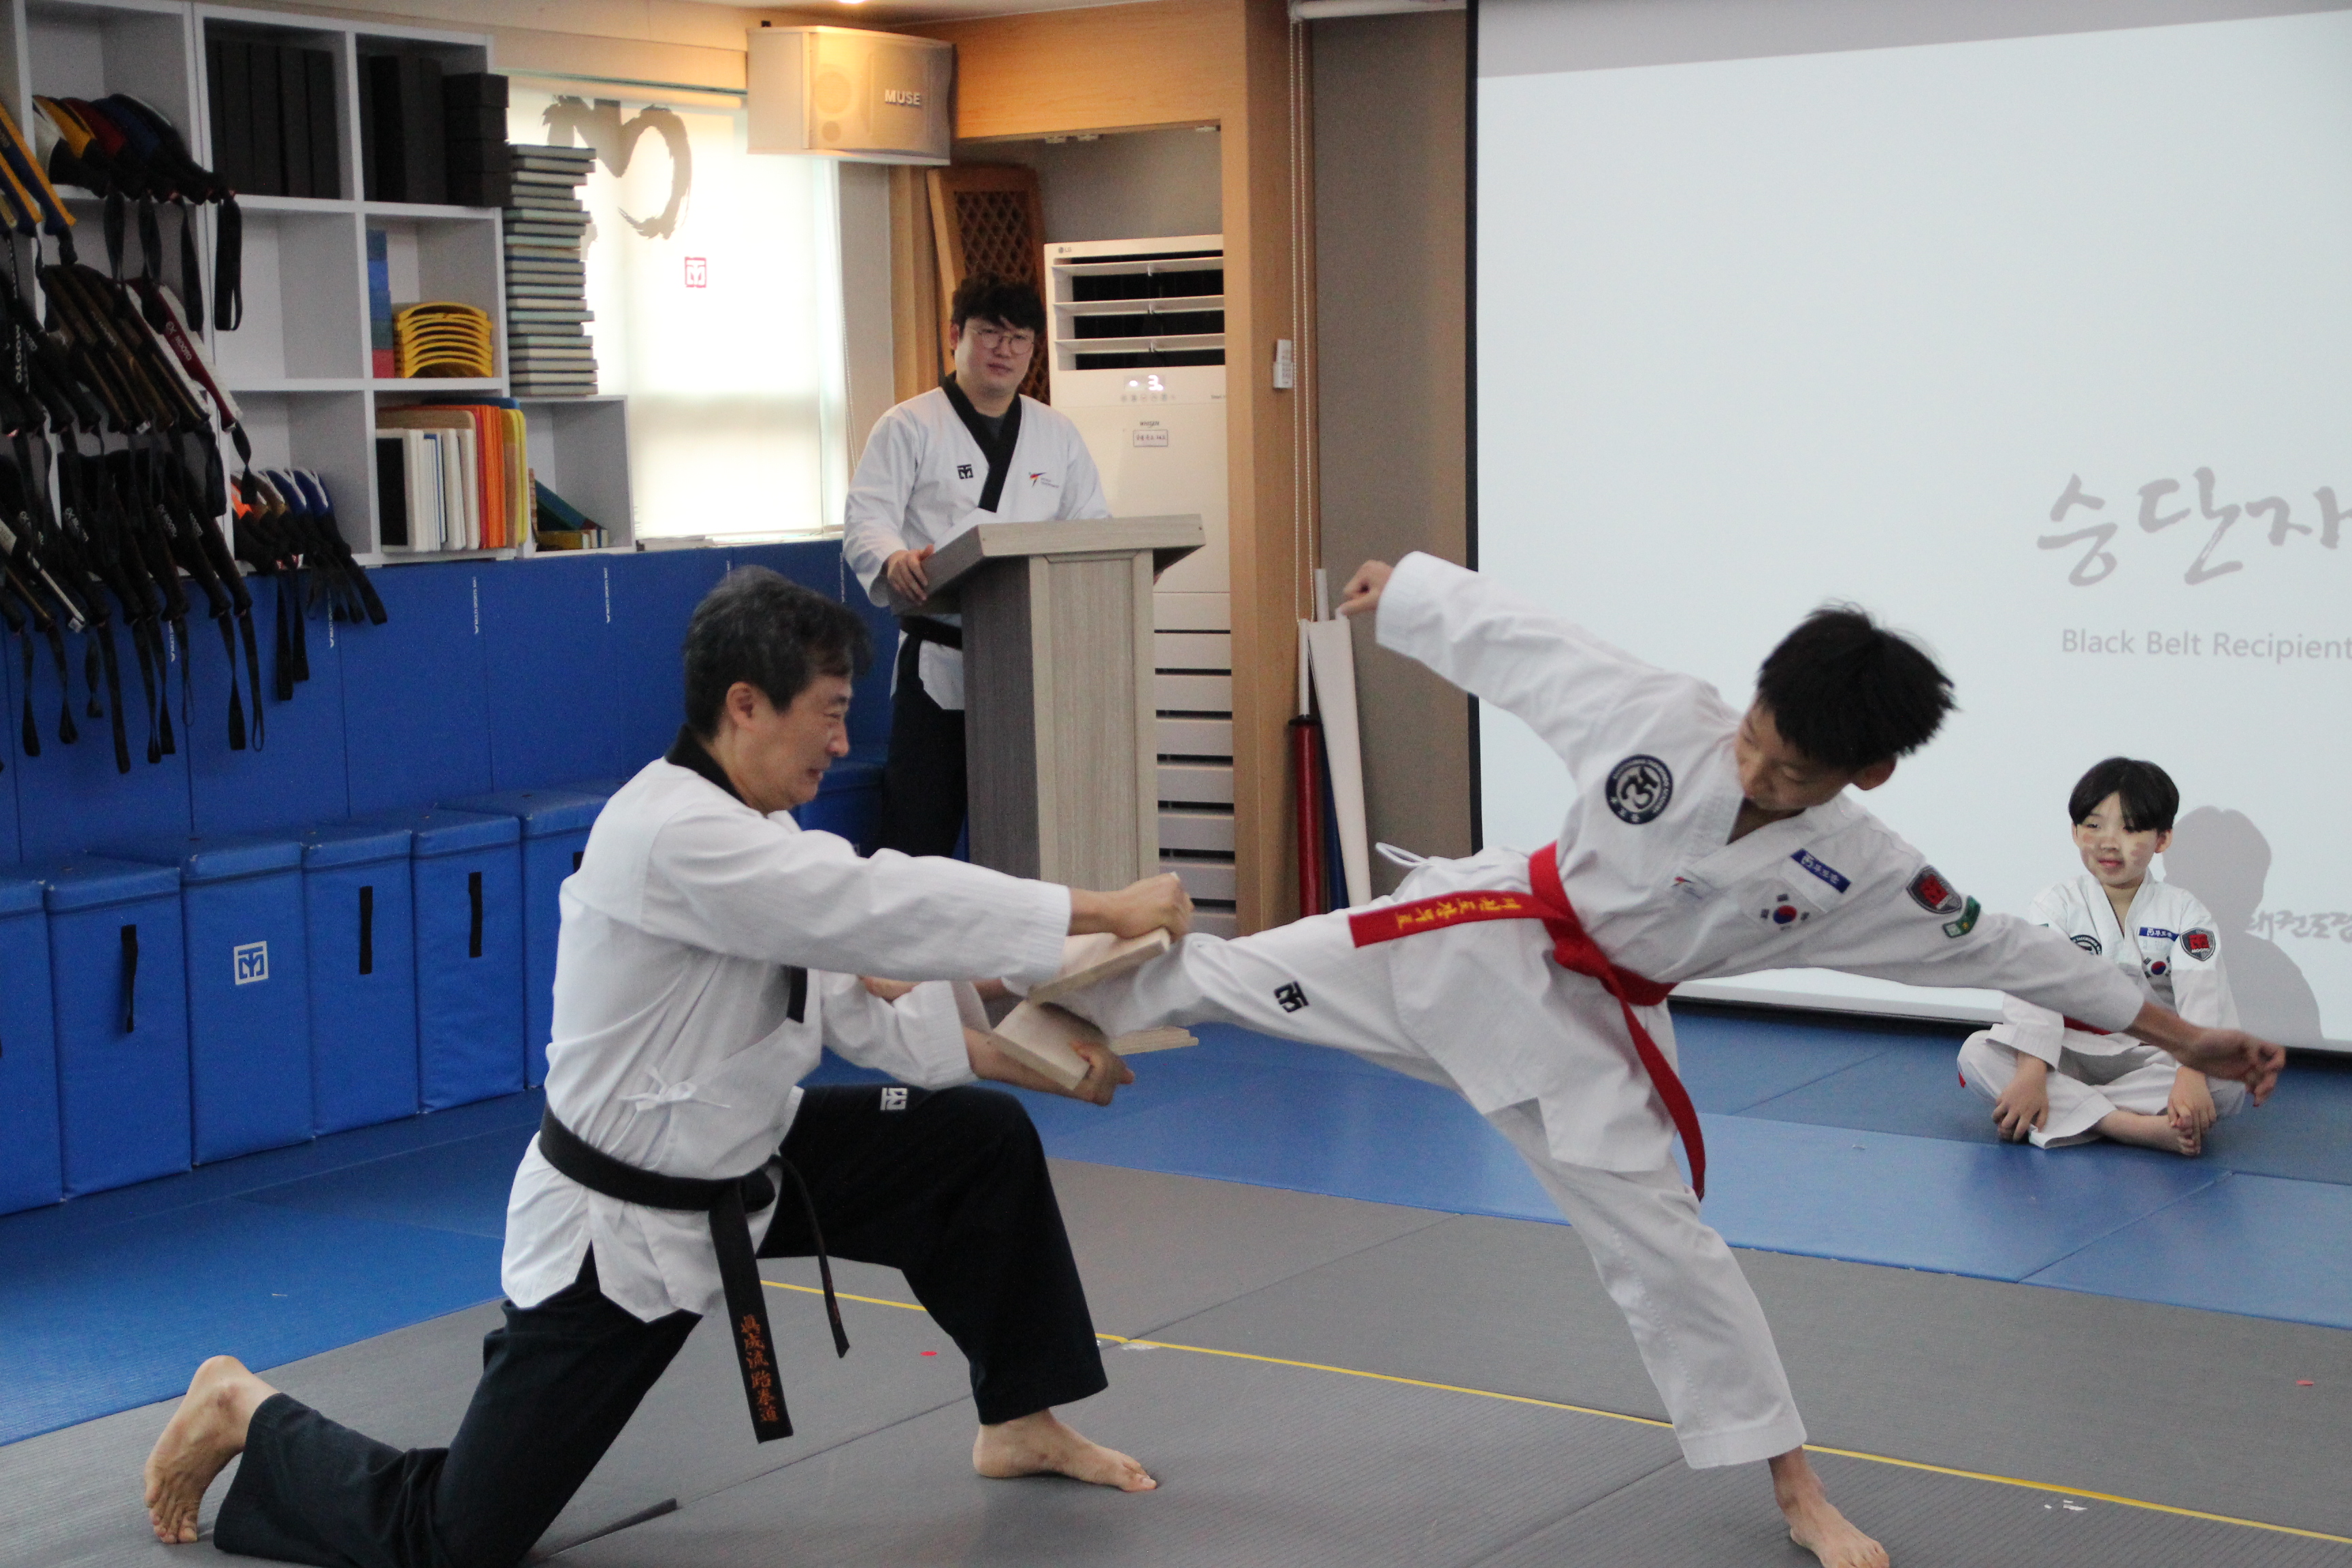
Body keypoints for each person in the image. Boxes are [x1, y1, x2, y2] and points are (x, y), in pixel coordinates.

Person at [1050, 553, 2285, 1568]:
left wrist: (2183, 1035)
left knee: (1675, 1257)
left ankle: (1795, 1486)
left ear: (1864, 773)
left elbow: (2004, 947)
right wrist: (1413, 592)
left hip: (1594, 1037)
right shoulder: (1661, 719)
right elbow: (1534, 649)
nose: (1754, 769)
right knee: (1234, 975)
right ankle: (1024, 1001)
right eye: (1755, 737)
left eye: (1789, 771)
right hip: (1477, 937)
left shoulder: (1862, 870)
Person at [142, 567, 1192, 1567]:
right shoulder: (675, 834)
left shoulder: (758, 830)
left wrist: (1016, 1059)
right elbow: (879, 904)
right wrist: (1098, 909)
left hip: (742, 1152)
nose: (842, 740)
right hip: (623, 1226)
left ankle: (1018, 1420)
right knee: (456, 1540)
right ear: (746, 705)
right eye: (828, 713)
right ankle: (246, 1410)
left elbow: (844, 993)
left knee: (973, 1145)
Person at [842, 272, 1111, 858]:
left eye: (1019, 338)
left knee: (1031, 837)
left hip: (1031, 663)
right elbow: (867, 518)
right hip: (940, 657)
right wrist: (893, 558)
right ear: (955, 336)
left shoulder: (1056, 433)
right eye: (989, 333)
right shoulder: (909, 425)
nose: (1004, 350)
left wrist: (1116, 570)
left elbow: (1090, 525)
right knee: (919, 835)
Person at [1958, 757, 2247, 1155]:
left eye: (2130, 828)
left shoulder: (2185, 913)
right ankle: (2130, 1126)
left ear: (2163, 839)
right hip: (2071, 1050)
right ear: (2075, 832)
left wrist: (2192, 1072)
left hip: (2154, 1054)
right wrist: (2031, 1071)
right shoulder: (2057, 904)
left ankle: (2073, 1111)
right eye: (2094, 826)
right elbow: (2034, 989)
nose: (2109, 843)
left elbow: (2203, 997)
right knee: (1976, 1053)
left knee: (2226, 1082)